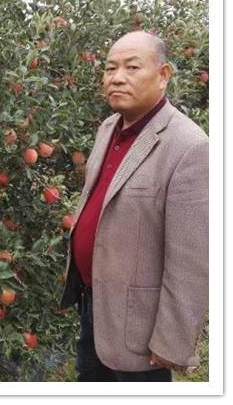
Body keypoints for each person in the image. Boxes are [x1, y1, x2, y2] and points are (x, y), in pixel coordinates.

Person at [60, 31, 208, 382]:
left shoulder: (189, 147)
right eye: (110, 68)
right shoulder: (109, 128)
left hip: (139, 324)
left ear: (163, 75)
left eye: (131, 67)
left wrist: (171, 341)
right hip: (95, 303)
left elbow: (192, 261)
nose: (117, 77)